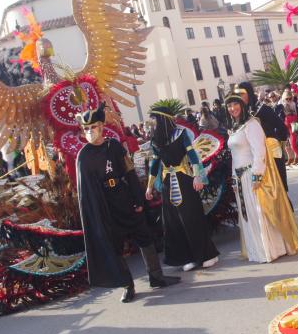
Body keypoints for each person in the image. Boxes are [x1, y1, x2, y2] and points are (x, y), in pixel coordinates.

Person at [75, 103, 178, 303]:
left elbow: (129, 172)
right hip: (106, 207)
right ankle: (127, 285)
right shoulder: (84, 156)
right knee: (115, 247)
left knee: (144, 237)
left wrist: (138, 199)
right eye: (86, 129)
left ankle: (156, 276)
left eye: (93, 127)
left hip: (124, 198)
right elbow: (86, 192)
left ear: (101, 127)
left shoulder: (113, 146)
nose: (89, 131)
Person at [224, 93, 298, 262]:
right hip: (239, 178)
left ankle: (273, 249)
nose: (233, 108)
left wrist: (257, 175)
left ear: (242, 105)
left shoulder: (251, 124)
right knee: (250, 216)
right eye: (229, 105)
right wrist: (233, 178)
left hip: (252, 174)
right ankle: (256, 250)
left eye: (235, 104)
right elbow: (234, 156)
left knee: (260, 212)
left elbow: (259, 151)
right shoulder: (233, 128)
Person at [146, 106, 219, 271]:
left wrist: (198, 176)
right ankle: (189, 257)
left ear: (163, 120)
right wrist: (149, 187)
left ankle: (209, 254)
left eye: (155, 120)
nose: (152, 124)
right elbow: (155, 164)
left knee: (192, 218)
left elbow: (193, 156)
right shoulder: (156, 140)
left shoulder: (181, 134)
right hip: (167, 185)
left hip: (185, 181)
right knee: (174, 222)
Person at [237, 81, 290, 192]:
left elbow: (282, 128)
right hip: (254, 159)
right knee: (263, 193)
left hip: (272, 154)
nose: (239, 97)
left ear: (249, 93)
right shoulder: (241, 115)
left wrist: (278, 146)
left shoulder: (264, 109)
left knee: (279, 190)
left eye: (242, 94)